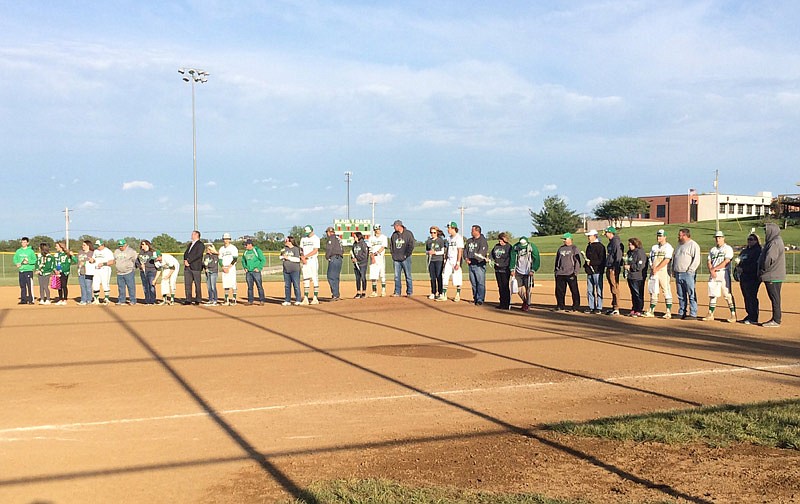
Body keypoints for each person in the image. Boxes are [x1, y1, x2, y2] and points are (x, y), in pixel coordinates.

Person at [703, 231, 737, 323]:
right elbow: (709, 261)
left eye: (720, 237)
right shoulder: (713, 249)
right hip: (713, 273)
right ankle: (710, 314)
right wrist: (711, 270)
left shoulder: (728, 248)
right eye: (716, 238)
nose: (718, 239)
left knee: (727, 294)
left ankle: (733, 315)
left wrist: (714, 269)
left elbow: (726, 261)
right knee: (712, 294)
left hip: (723, 272)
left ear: (723, 238)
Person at [758, 222, 786, 327]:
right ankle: (776, 319)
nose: (765, 233)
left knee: (774, 297)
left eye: (766, 230)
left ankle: (776, 320)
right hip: (773, 274)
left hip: (772, 275)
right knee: (775, 297)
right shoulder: (776, 241)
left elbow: (770, 258)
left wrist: (763, 269)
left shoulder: (774, 242)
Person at [643, 229, 674, 318]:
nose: (658, 237)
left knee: (666, 290)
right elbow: (650, 259)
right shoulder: (654, 247)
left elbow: (667, 260)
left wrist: (657, 268)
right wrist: (652, 267)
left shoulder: (668, 247)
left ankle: (668, 312)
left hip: (663, 271)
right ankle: (651, 310)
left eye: (660, 236)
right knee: (653, 291)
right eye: (658, 235)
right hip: (654, 271)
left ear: (665, 237)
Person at [672, 228, 701, 320]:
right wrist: (673, 269)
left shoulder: (693, 245)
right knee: (680, 294)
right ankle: (682, 311)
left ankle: (693, 313)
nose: (679, 237)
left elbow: (696, 259)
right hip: (678, 273)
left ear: (686, 235)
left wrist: (690, 270)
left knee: (691, 293)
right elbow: (675, 258)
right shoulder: (679, 245)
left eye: (680, 235)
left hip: (688, 273)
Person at [735, 233, 762, 325]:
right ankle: (749, 314)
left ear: (756, 240)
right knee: (746, 296)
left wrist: (744, 269)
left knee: (752, 296)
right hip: (744, 277)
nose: (750, 241)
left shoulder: (758, 251)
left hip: (752, 277)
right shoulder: (745, 251)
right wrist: (737, 270)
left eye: (752, 239)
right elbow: (739, 261)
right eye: (748, 239)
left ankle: (754, 316)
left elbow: (755, 265)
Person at [510, 236, 540, 312]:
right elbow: (513, 258)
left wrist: (533, 269)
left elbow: (536, 259)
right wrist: (512, 269)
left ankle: (528, 304)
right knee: (518, 288)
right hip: (518, 271)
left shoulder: (531, 247)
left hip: (528, 271)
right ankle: (525, 301)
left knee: (528, 288)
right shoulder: (516, 247)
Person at [437, 222, 464, 302]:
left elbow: (460, 250)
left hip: (456, 260)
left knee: (457, 277)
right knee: (445, 276)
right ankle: (444, 295)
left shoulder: (459, 238)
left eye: (449, 228)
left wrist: (458, 262)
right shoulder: (449, 238)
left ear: (453, 228)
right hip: (449, 259)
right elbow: (447, 250)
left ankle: (458, 295)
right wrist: (445, 260)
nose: (448, 230)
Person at [554, 233, 582, 312]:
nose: (564, 240)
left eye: (565, 239)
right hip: (560, 273)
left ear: (570, 239)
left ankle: (575, 306)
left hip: (570, 273)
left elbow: (577, 261)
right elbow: (557, 261)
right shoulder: (561, 248)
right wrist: (556, 271)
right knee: (559, 291)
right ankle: (560, 305)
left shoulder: (574, 248)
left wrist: (575, 272)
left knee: (574, 291)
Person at [464, 225, 489, 305]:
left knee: (480, 282)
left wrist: (476, 257)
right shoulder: (469, 241)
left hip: (479, 265)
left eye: (472, 230)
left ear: (477, 231)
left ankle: (480, 299)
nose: (471, 232)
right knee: (473, 283)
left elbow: (482, 252)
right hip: (471, 264)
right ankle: (475, 297)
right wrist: (466, 258)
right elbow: (465, 250)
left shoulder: (483, 241)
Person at [583, 229, 606, 314]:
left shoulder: (600, 246)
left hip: (597, 271)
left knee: (598, 290)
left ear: (595, 236)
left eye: (589, 236)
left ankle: (599, 307)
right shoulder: (589, 246)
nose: (588, 237)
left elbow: (602, 260)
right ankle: (591, 307)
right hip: (590, 272)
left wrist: (592, 263)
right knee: (589, 290)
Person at [390, 219, 415, 297]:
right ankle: (397, 292)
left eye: (394, 226)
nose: (394, 228)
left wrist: (406, 255)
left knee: (408, 276)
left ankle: (409, 292)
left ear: (399, 226)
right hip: (396, 259)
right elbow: (391, 246)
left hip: (406, 258)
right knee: (397, 277)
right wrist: (393, 255)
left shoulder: (408, 234)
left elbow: (411, 245)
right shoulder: (394, 235)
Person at [624, 237, 648, 316]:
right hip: (630, 276)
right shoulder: (629, 252)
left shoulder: (640, 253)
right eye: (629, 244)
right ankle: (634, 308)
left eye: (631, 244)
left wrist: (630, 267)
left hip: (638, 277)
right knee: (633, 294)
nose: (629, 246)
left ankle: (639, 309)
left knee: (638, 294)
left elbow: (640, 266)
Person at [603, 226, 624, 315]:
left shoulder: (615, 241)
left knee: (614, 287)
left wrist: (616, 266)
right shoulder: (611, 242)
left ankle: (616, 307)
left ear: (610, 233)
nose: (605, 235)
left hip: (613, 267)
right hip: (610, 266)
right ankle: (614, 306)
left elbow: (618, 255)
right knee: (612, 287)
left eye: (606, 233)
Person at [299, 225, 321, 305]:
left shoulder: (316, 238)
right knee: (306, 279)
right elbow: (301, 249)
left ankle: (315, 298)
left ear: (312, 230)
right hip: (305, 261)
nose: (307, 234)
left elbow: (315, 250)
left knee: (314, 278)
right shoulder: (303, 238)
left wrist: (305, 256)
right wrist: (302, 257)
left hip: (312, 260)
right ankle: (305, 298)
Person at [490, 232, 512, 310]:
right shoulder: (496, 246)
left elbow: (509, 258)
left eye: (501, 240)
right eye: (499, 240)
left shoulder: (509, 247)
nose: (500, 242)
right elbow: (491, 255)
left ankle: (506, 303)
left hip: (505, 269)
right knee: (500, 286)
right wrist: (491, 260)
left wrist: (502, 264)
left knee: (505, 286)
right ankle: (501, 303)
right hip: (497, 270)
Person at [241, 239, 266, 306]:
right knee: (250, 287)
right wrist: (245, 267)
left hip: (256, 272)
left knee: (259, 286)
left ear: (250, 244)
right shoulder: (245, 252)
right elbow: (243, 261)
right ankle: (250, 300)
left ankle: (262, 300)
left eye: (246, 245)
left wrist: (259, 268)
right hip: (249, 272)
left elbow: (263, 260)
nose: (245, 246)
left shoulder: (257, 250)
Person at [114, 239, 139, 306]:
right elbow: (115, 260)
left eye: (122, 246)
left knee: (131, 287)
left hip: (129, 272)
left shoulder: (131, 251)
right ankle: (121, 300)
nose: (120, 247)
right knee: (121, 287)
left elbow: (136, 260)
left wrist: (133, 267)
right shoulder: (117, 251)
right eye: (119, 246)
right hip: (119, 272)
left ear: (125, 245)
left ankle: (132, 300)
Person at [13, 237, 37, 305]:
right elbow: (15, 259)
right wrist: (17, 263)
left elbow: (35, 260)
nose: (23, 243)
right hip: (21, 271)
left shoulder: (31, 251)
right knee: (22, 286)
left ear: (27, 243)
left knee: (29, 285)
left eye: (24, 242)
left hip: (28, 270)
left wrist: (28, 262)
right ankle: (23, 299)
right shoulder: (18, 251)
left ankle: (31, 300)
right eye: (22, 242)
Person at [183, 230, 204, 305]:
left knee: (197, 284)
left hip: (196, 267)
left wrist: (189, 261)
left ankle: (198, 299)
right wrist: (185, 260)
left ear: (197, 235)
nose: (191, 236)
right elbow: (186, 253)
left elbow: (198, 255)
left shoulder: (200, 244)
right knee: (187, 284)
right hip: (187, 267)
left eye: (193, 234)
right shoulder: (190, 244)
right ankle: (188, 299)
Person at [280, 236, 303, 306]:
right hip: (286, 270)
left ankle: (298, 300)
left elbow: (298, 259)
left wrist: (288, 258)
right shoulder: (284, 249)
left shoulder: (296, 249)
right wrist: (283, 257)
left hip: (295, 270)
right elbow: (280, 257)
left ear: (290, 241)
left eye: (286, 240)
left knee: (296, 285)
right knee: (287, 286)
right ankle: (287, 300)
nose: (285, 242)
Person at [368, 224, 389, 297]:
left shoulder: (383, 237)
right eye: (376, 229)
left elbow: (383, 247)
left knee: (382, 274)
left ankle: (383, 291)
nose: (378, 230)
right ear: (374, 230)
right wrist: (372, 257)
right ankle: (374, 291)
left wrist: (377, 253)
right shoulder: (371, 238)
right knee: (374, 275)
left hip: (380, 258)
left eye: (379, 229)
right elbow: (370, 249)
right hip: (373, 258)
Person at [425, 226, 446, 300]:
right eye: (431, 232)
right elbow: (426, 251)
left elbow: (443, 251)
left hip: (439, 260)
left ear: (437, 233)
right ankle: (433, 292)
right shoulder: (428, 241)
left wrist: (435, 252)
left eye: (434, 232)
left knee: (438, 276)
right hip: (431, 261)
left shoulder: (440, 240)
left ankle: (440, 293)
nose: (432, 234)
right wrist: (428, 252)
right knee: (432, 277)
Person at [218, 232, 239, 305]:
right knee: (226, 283)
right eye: (224, 239)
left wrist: (229, 267)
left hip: (231, 267)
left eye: (227, 239)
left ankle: (234, 299)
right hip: (224, 267)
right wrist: (223, 267)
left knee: (233, 283)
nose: (226, 240)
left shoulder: (233, 248)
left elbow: (235, 259)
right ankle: (226, 299)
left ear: (230, 240)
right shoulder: (221, 249)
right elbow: (220, 259)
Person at [324, 226, 344, 301]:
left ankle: (335, 295)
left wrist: (327, 256)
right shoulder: (338, 238)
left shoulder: (331, 238)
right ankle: (336, 295)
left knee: (331, 276)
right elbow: (343, 249)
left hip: (334, 258)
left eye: (327, 232)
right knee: (336, 277)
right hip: (339, 258)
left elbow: (329, 248)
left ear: (329, 232)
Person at [137, 240, 159, 305]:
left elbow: (156, 261)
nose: (142, 246)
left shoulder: (152, 252)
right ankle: (147, 300)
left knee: (151, 286)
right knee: (145, 286)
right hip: (143, 271)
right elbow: (137, 262)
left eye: (143, 244)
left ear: (147, 245)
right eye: (141, 244)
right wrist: (140, 266)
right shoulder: (140, 253)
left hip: (151, 271)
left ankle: (153, 300)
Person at [351, 231, 370, 298]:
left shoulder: (363, 244)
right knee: (357, 278)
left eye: (355, 237)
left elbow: (365, 255)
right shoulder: (354, 244)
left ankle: (364, 292)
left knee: (363, 277)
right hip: (356, 264)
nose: (354, 238)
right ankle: (358, 292)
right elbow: (352, 253)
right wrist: (353, 259)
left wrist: (358, 259)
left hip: (362, 264)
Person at [76, 240, 95, 305]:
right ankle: (83, 299)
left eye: (84, 245)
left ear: (88, 246)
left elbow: (94, 261)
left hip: (88, 272)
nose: (82, 246)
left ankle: (89, 299)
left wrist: (85, 262)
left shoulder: (92, 253)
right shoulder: (80, 252)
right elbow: (77, 261)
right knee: (82, 286)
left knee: (88, 286)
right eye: (82, 245)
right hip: (80, 271)